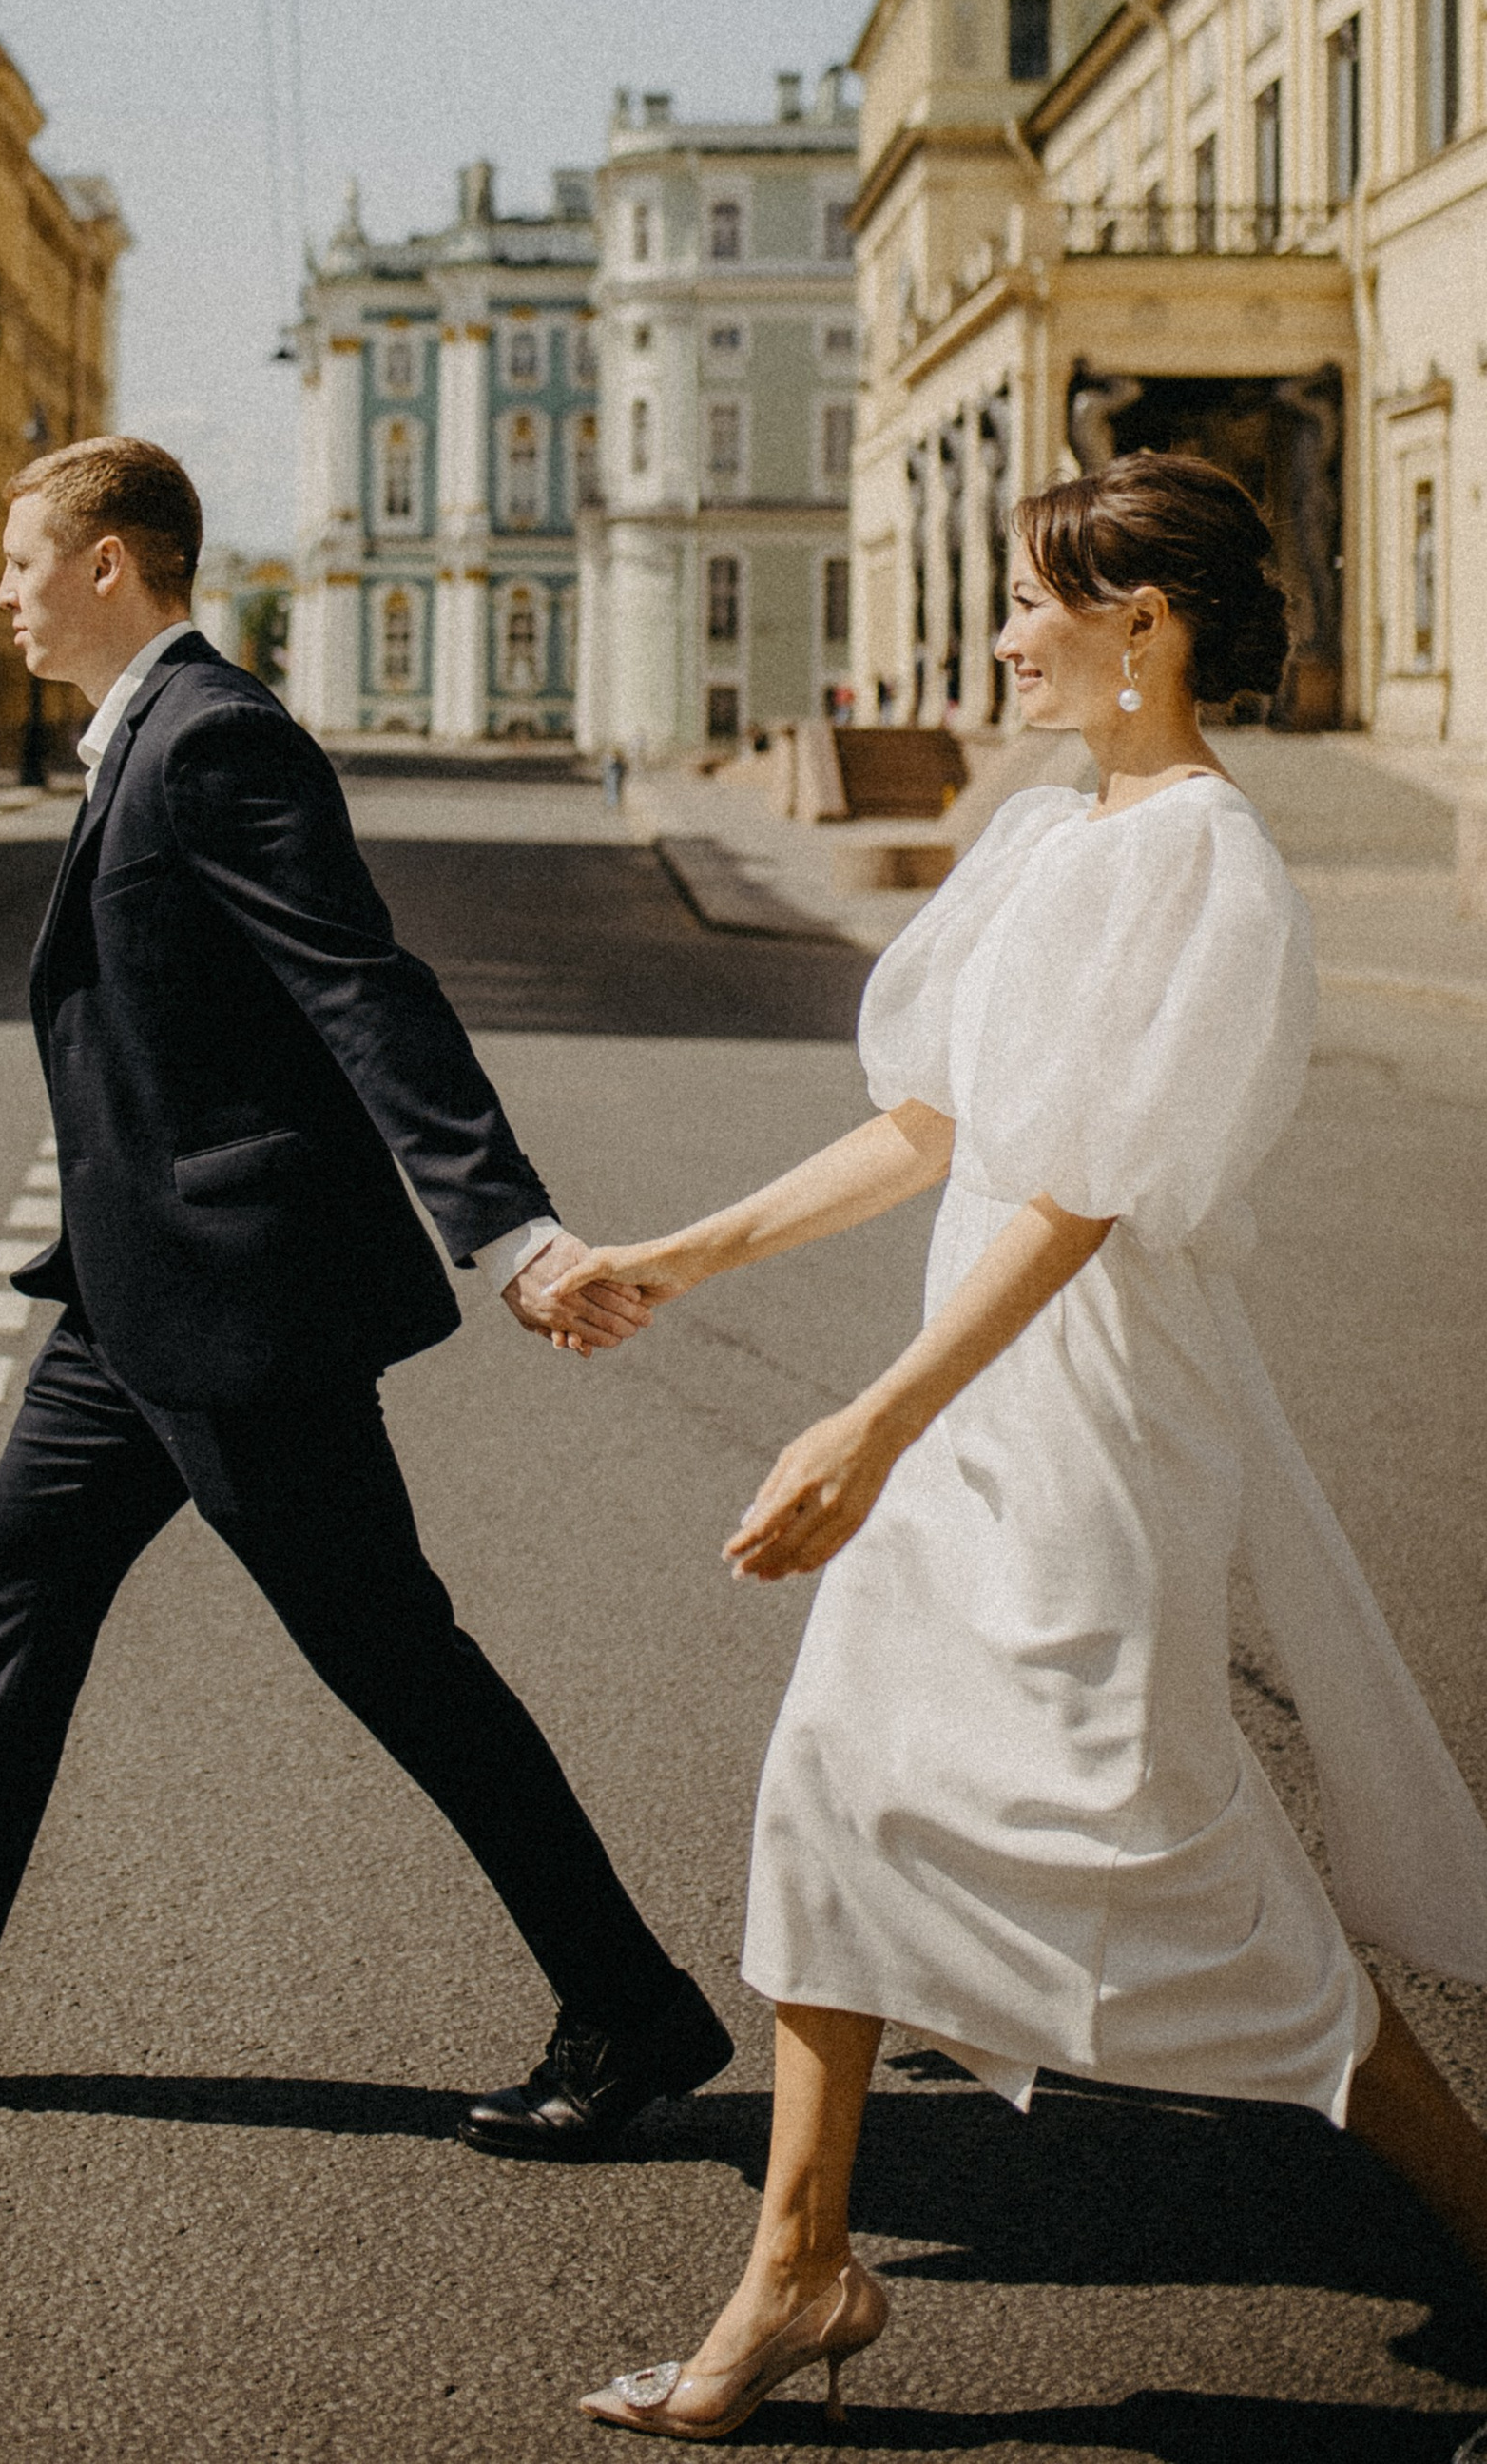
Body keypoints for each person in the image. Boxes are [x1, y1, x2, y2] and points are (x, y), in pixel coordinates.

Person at [555, 451, 1487, 2439]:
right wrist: (683, 1257)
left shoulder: (1212, 872)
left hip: (1081, 1425)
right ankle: (796, 2274)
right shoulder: (1052, 834)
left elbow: (1071, 1199)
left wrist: (870, 1423)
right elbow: (938, 1130)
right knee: (833, 1790)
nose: (995, 635)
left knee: (1165, 1847)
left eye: (1029, 601)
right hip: (963, 1402)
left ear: (1139, 626)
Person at [0, 434, 732, 2151]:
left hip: (242, 1310)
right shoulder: (148, 742)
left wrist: (512, 1233)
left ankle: (632, 2010)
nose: (5, 595)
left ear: (111, 564)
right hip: (133, 1303)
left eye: (24, 562)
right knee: (20, 1584)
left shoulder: (216, 738)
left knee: (397, 1659)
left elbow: (365, 989)